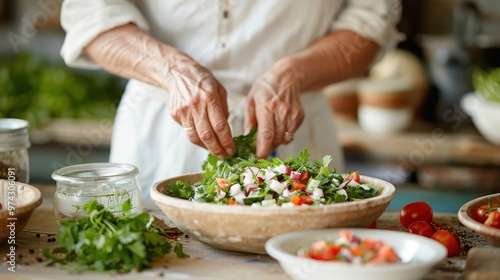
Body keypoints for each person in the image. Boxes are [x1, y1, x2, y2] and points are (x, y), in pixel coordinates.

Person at [60, 0, 402, 209]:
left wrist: (293, 73)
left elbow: (372, 18)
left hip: (295, 124)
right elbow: (90, 14)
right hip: (162, 124)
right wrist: (173, 70)